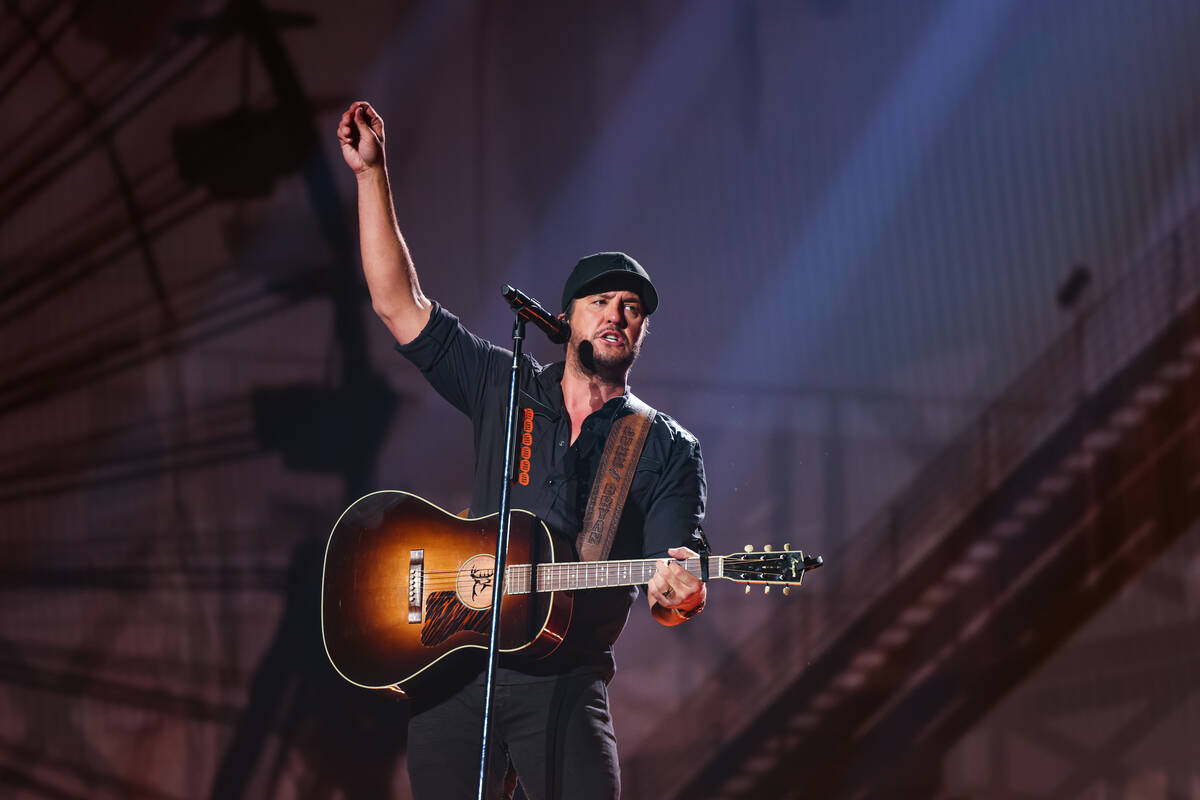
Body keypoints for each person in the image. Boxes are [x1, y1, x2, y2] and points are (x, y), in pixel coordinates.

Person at [337, 100, 708, 800]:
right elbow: (398, 304)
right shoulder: (502, 385)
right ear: (565, 319)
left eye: (632, 307)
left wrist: (679, 591)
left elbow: (673, 570)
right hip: (456, 674)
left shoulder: (663, 449)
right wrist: (371, 175)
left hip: (565, 686)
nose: (618, 314)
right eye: (601, 301)